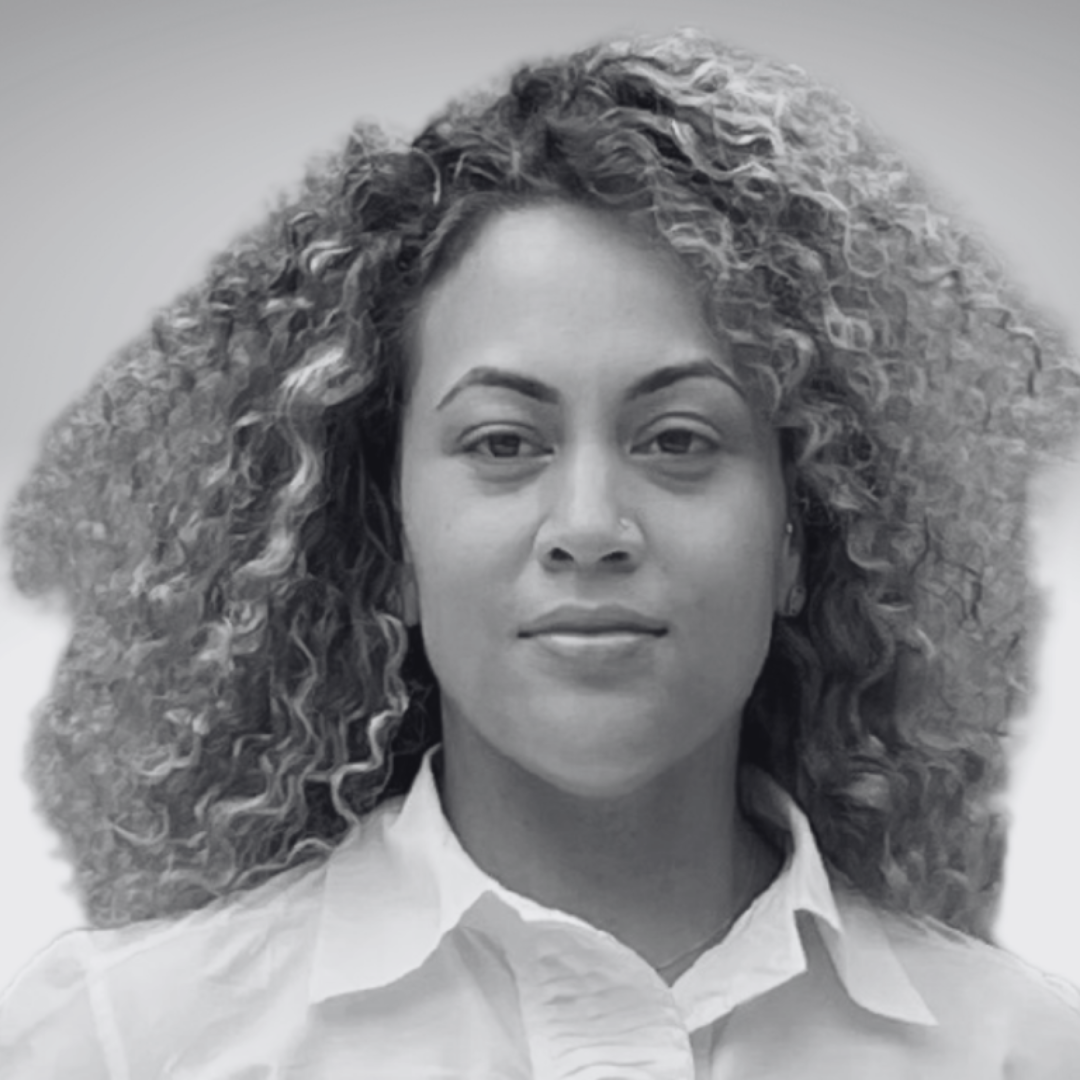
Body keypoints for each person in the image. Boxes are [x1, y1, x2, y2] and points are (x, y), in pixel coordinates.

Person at [1, 28, 1078, 1078]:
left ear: (800, 537)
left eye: (679, 440)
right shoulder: (119, 1046)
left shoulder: (1018, 1053)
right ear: (393, 540)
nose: (590, 527)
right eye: (504, 443)